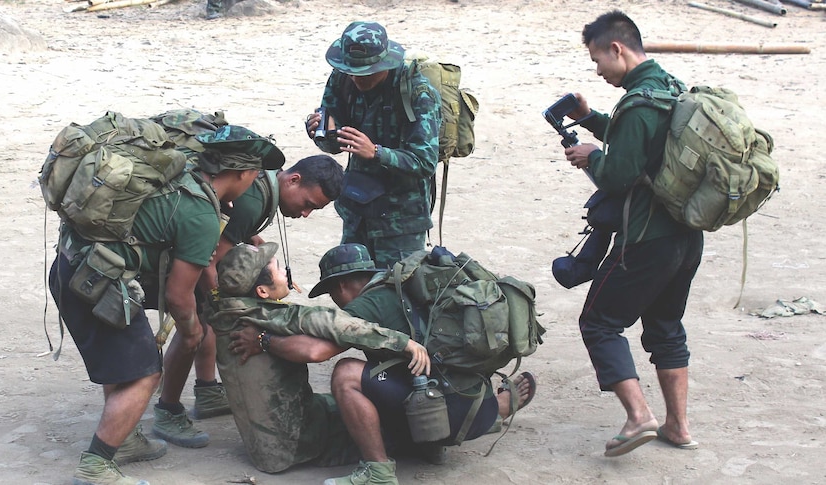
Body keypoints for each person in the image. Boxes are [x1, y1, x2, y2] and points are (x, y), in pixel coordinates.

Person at [49, 124, 279, 485]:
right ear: (241, 174)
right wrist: (191, 331)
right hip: (96, 282)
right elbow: (178, 295)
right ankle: (97, 465)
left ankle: (123, 441)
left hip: (71, 266)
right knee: (145, 374)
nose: (253, 182)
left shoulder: (181, 176)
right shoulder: (202, 214)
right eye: (254, 175)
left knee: (126, 365)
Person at [226, 244, 537, 484]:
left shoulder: (367, 304)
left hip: (443, 412)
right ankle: (470, 421)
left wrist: (264, 340)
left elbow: (315, 351)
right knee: (400, 373)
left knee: (346, 374)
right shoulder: (411, 288)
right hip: (475, 413)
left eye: (333, 294)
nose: (336, 301)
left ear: (341, 286)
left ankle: (378, 471)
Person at [561, 10, 703, 457]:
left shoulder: (638, 103)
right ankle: (678, 427)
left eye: (597, 59)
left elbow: (619, 174)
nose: (597, 69)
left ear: (616, 49)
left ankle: (639, 416)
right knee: (665, 325)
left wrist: (590, 157)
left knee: (599, 322)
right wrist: (589, 118)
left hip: (646, 238)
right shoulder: (669, 89)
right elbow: (643, 143)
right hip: (687, 235)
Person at [154, 154, 344, 449]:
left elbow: (227, 226)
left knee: (205, 323)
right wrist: (223, 300)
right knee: (194, 331)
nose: (305, 213)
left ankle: (206, 391)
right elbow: (211, 259)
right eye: (307, 204)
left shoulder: (265, 182)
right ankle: (168, 410)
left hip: (195, 255)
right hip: (189, 263)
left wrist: (249, 235)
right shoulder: (254, 200)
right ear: (293, 180)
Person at [206, 242, 431, 474]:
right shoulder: (275, 317)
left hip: (262, 447)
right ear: (261, 291)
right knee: (373, 414)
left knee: (333, 401)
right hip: (297, 443)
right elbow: (334, 325)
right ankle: (393, 460)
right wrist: (403, 343)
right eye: (279, 269)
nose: (286, 273)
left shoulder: (221, 311)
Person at [305, 21, 442, 269]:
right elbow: (334, 145)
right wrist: (321, 132)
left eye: (366, 71)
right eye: (352, 70)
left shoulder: (418, 94)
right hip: (357, 210)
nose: (357, 77)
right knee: (352, 289)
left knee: (398, 296)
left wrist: (377, 153)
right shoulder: (342, 77)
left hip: (400, 221)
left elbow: (425, 163)